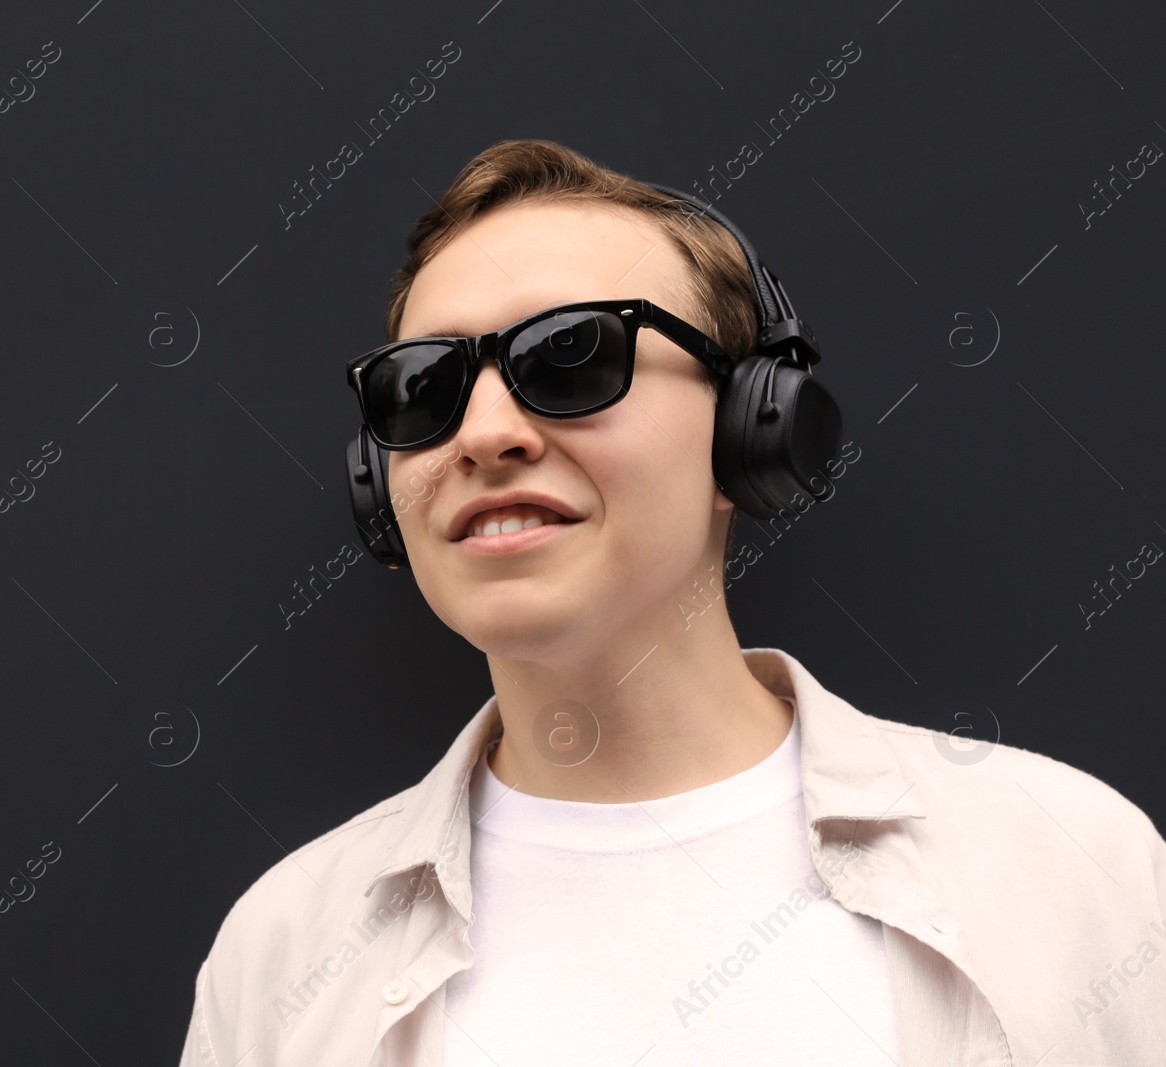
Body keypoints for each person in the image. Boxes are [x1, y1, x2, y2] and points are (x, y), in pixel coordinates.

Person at [178, 139, 1166, 1066]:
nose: (481, 433)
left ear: (752, 432)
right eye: (422, 387)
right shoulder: (285, 944)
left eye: (568, 353)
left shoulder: (1069, 859)